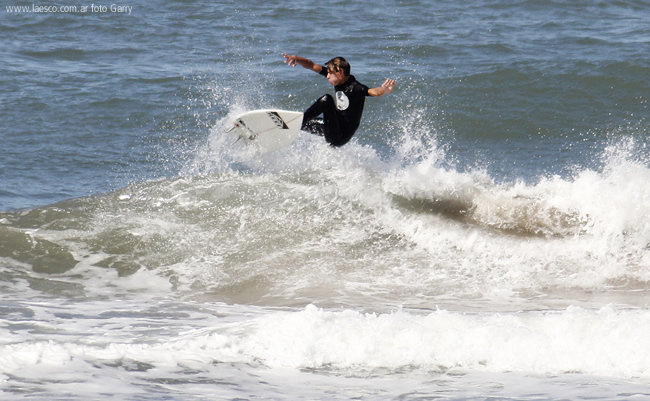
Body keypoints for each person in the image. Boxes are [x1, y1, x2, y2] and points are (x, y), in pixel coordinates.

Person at [282, 53, 396, 147]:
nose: (327, 76)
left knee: (326, 100)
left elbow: (374, 92)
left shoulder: (356, 88)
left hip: (340, 136)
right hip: (333, 127)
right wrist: (296, 59)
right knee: (305, 123)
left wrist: (385, 90)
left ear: (340, 72)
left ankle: (297, 121)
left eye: (330, 74)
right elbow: (311, 65)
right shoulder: (338, 79)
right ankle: (290, 126)